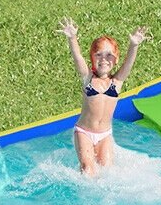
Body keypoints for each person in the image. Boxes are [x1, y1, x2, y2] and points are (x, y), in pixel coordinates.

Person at [60, 17, 150, 174]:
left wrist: (134, 45)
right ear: (92, 58)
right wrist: (72, 38)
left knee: (107, 171)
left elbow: (128, 63)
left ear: (116, 59)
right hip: (84, 132)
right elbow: (78, 57)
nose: (104, 59)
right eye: (98, 55)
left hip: (105, 134)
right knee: (88, 169)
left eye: (109, 55)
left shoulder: (117, 82)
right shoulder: (88, 78)